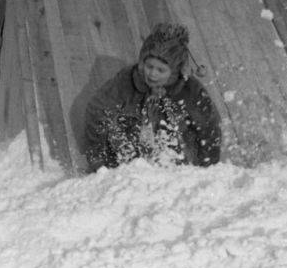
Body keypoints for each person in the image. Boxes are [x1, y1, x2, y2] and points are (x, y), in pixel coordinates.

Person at [83, 23, 222, 171]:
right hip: (128, 156)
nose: (152, 74)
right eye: (149, 66)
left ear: (175, 71)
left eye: (161, 70)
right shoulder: (127, 80)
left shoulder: (190, 89)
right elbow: (97, 110)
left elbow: (209, 128)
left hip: (176, 158)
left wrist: (208, 169)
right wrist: (99, 162)